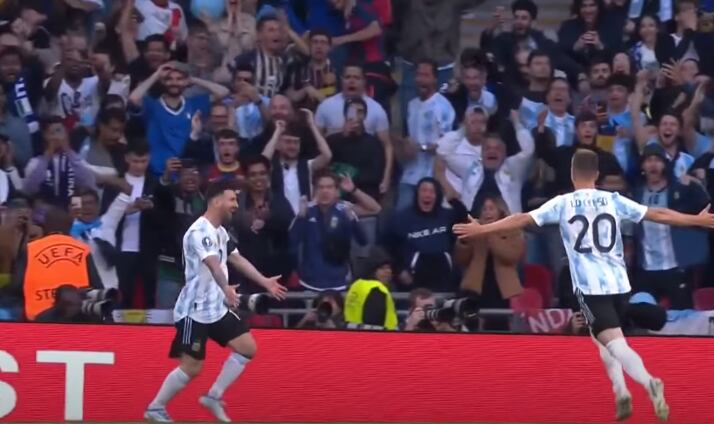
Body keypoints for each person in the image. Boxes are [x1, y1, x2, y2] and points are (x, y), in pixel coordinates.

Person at [454, 149, 714, 421]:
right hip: (620, 283)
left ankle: (649, 381)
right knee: (600, 337)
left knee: (615, 344)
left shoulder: (563, 203)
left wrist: (482, 229)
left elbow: (521, 219)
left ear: (572, 174)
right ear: (598, 175)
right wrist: (695, 219)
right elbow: (658, 214)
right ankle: (621, 391)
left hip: (591, 288)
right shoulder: (614, 199)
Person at [144, 181, 287, 423]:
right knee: (192, 368)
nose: (235, 205)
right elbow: (212, 264)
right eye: (232, 200)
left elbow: (238, 261)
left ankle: (213, 396)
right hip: (193, 311)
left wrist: (265, 282)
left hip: (216, 308)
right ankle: (155, 408)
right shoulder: (199, 232)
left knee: (247, 348)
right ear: (217, 200)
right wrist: (225, 288)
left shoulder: (219, 232)